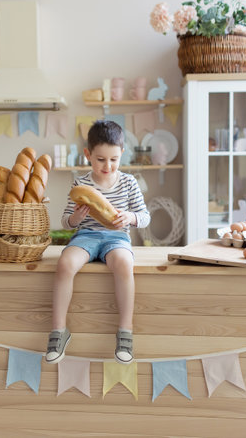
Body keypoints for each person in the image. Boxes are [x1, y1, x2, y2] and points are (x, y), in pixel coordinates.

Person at [46, 120, 150, 365]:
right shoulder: (80, 184)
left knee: (124, 265)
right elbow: (65, 222)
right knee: (65, 264)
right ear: (88, 155)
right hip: (86, 237)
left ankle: (125, 330)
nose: (107, 165)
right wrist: (76, 218)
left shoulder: (129, 183)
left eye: (113, 159)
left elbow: (145, 217)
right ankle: (59, 331)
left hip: (117, 238)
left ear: (121, 154)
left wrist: (131, 217)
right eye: (100, 159)